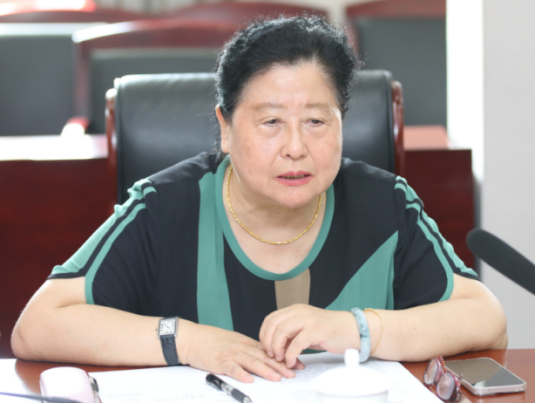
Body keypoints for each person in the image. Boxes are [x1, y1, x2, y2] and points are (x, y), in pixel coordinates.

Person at [12, 17, 507, 384]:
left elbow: (486, 319)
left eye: (316, 121)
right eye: (270, 122)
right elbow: (37, 327)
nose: (296, 146)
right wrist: (189, 341)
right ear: (225, 128)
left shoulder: (384, 203)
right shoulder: (165, 207)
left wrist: (357, 329)